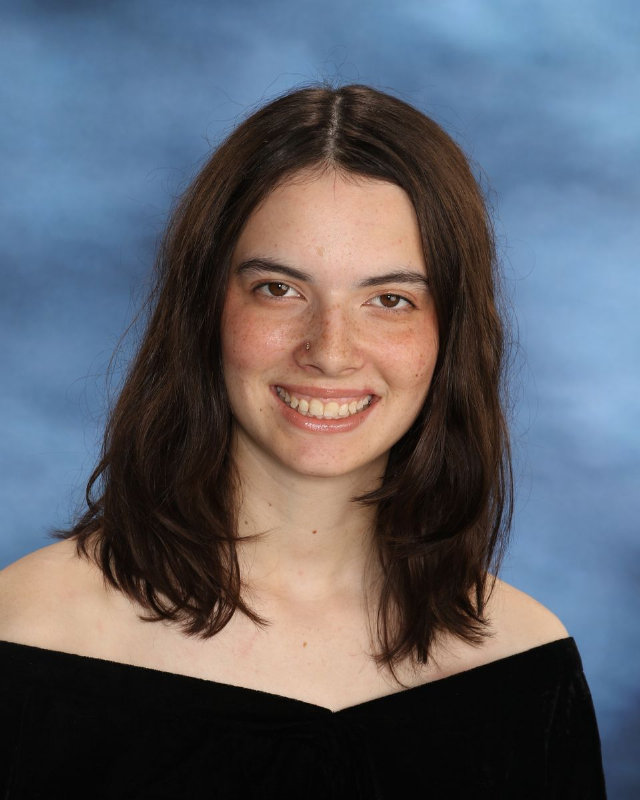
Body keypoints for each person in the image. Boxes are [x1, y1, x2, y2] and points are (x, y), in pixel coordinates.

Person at [0, 84, 606, 798]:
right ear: (205, 310)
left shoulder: (525, 666)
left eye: (390, 301)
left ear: (450, 337)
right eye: (279, 289)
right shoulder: (26, 637)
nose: (330, 350)